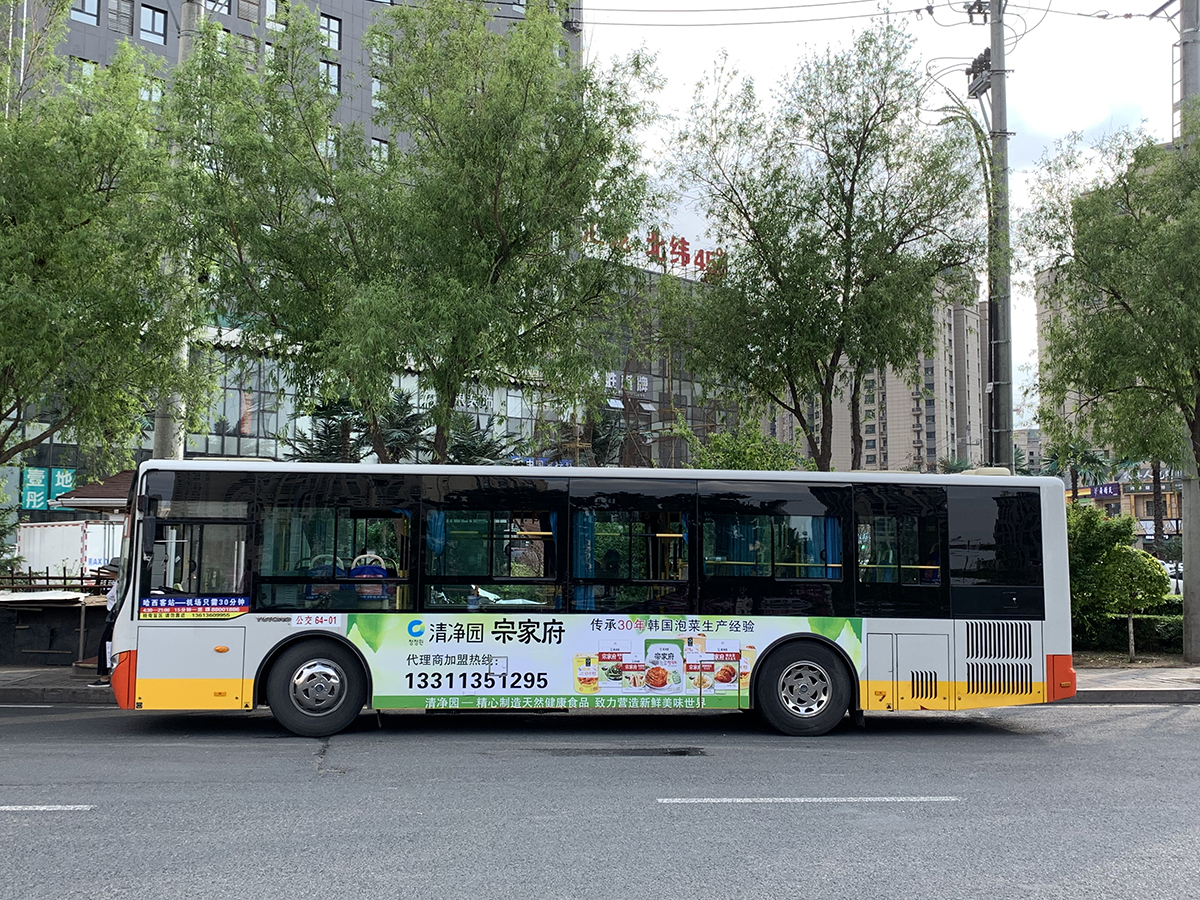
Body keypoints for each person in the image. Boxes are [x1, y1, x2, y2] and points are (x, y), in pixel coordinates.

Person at [89, 581, 119, 687]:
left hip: (115, 617)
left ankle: (104, 676)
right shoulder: (119, 582)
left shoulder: (121, 583)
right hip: (114, 616)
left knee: (105, 645)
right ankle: (106, 674)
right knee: (107, 645)